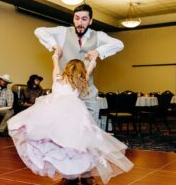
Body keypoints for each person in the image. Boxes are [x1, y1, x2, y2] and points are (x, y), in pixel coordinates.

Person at [7, 51, 133, 184]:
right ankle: (80, 176)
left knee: (59, 145)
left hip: (53, 114)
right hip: (73, 114)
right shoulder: (79, 80)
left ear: (67, 67)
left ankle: (69, 177)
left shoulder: (57, 77)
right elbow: (91, 68)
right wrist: (93, 59)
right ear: (80, 71)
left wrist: (56, 54)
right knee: (77, 145)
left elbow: (55, 61)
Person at [34, 4, 124, 124]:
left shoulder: (98, 36)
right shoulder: (63, 32)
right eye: (76, 18)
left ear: (90, 21)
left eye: (84, 19)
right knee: (64, 129)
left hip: (87, 94)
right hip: (65, 95)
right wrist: (54, 46)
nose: (79, 23)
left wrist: (98, 51)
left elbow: (119, 44)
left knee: (89, 129)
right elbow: (39, 31)